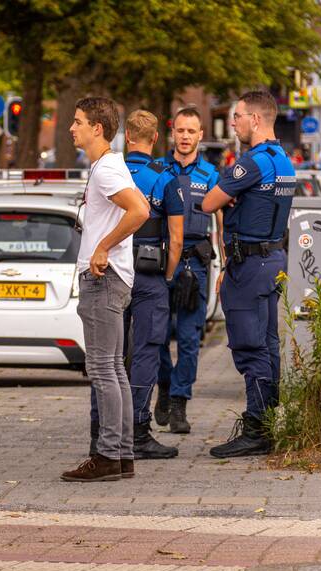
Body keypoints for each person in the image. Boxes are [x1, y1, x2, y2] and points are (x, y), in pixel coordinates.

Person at [202, 90, 295, 457]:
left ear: (256, 119)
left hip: (250, 266)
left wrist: (228, 193)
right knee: (268, 345)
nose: (235, 123)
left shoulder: (252, 162)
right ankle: (268, 422)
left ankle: (257, 429)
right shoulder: (284, 160)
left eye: (238, 116)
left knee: (250, 346)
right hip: (271, 260)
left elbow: (209, 201)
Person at [61, 97, 150, 482]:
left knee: (102, 368)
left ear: (98, 128)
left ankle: (108, 455)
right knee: (114, 368)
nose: (71, 128)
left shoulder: (106, 171)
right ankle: (122, 454)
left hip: (103, 278)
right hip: (114, 277)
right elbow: (139, 207)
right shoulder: (110, 166)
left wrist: (102, 246)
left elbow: (139, 210)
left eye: (78, 122)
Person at [155, 106, 221, 434]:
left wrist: (223, 266)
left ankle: (180, 401)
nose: (185, 137)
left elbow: (221, 226)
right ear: (172, 133)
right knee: (155, 335)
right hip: (162, 259)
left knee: (190, 338)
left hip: (195, 262)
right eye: (180, 130)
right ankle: (165, 384)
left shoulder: (211, 175)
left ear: (200, 135)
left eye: (191, 131)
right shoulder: (159, 171)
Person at [122, 110, 183, 459]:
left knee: (111, 355)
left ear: (127, 137)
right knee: (147, 349)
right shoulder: (164, 180)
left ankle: (105, 431)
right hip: (149, 274)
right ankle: (140, 431)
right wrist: (169, 274)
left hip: (113, 271)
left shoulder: (111, 173)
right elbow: (175, 240)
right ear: (155, 139)